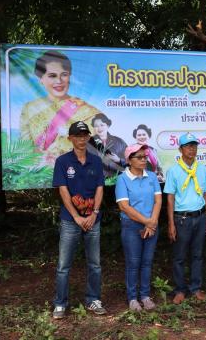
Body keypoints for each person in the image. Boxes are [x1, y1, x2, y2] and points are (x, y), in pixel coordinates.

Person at [52, 121, 106, 319]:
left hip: (93, 220)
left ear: (88, 138)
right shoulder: (63, 162)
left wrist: (94, 213)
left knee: (95, 264)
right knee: (63, 265)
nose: (82, 139)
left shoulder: (96, 161)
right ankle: (60, 303)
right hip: (70, 220)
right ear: (70, 138)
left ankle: (93, 299)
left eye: (85, 135)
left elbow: (100, 188)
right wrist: (76, 216)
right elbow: (63, 190)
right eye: (78, 135)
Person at [20, 50, 100, 164]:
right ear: (41, 79)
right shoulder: (29, 108)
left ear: (69, 76)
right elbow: (25, 148)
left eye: (64, 75)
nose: (59, 81)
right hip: (39, 174)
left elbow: (94, 148)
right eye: (52, 76)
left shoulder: (86, 110)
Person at [164, 133, 206, 305]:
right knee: (179, 256)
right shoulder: (174, 170)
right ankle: (180, 290)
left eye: (194, 146)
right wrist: (171, 223)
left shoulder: (202, 169)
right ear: (180, 149)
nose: (192, 149)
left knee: (198, 255)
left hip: (199, 217)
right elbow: (169, 197)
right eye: (188, 146)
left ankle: (196, 288)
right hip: (182, 219)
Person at [115, 143, 162, 311]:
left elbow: (158, 200)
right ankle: (132, 298)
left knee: (147, 262)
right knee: (133, 263)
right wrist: (147, 221)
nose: (144, 160)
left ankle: (145, 295)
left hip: (151, 225)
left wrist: (153, 221)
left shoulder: (152, 176)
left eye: (145, 157)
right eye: (139, 157)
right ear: (129, 160)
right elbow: (124, 207)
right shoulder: (122, 179)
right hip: (132, 227)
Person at [88, 113, 127, 178]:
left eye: (102, 125)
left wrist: (119, 160)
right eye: (96, 126)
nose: (99, 128)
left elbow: (130, 160)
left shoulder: (119, 142)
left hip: (116, 180)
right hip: (95, 180)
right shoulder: (88, 142)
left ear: (108, 126)